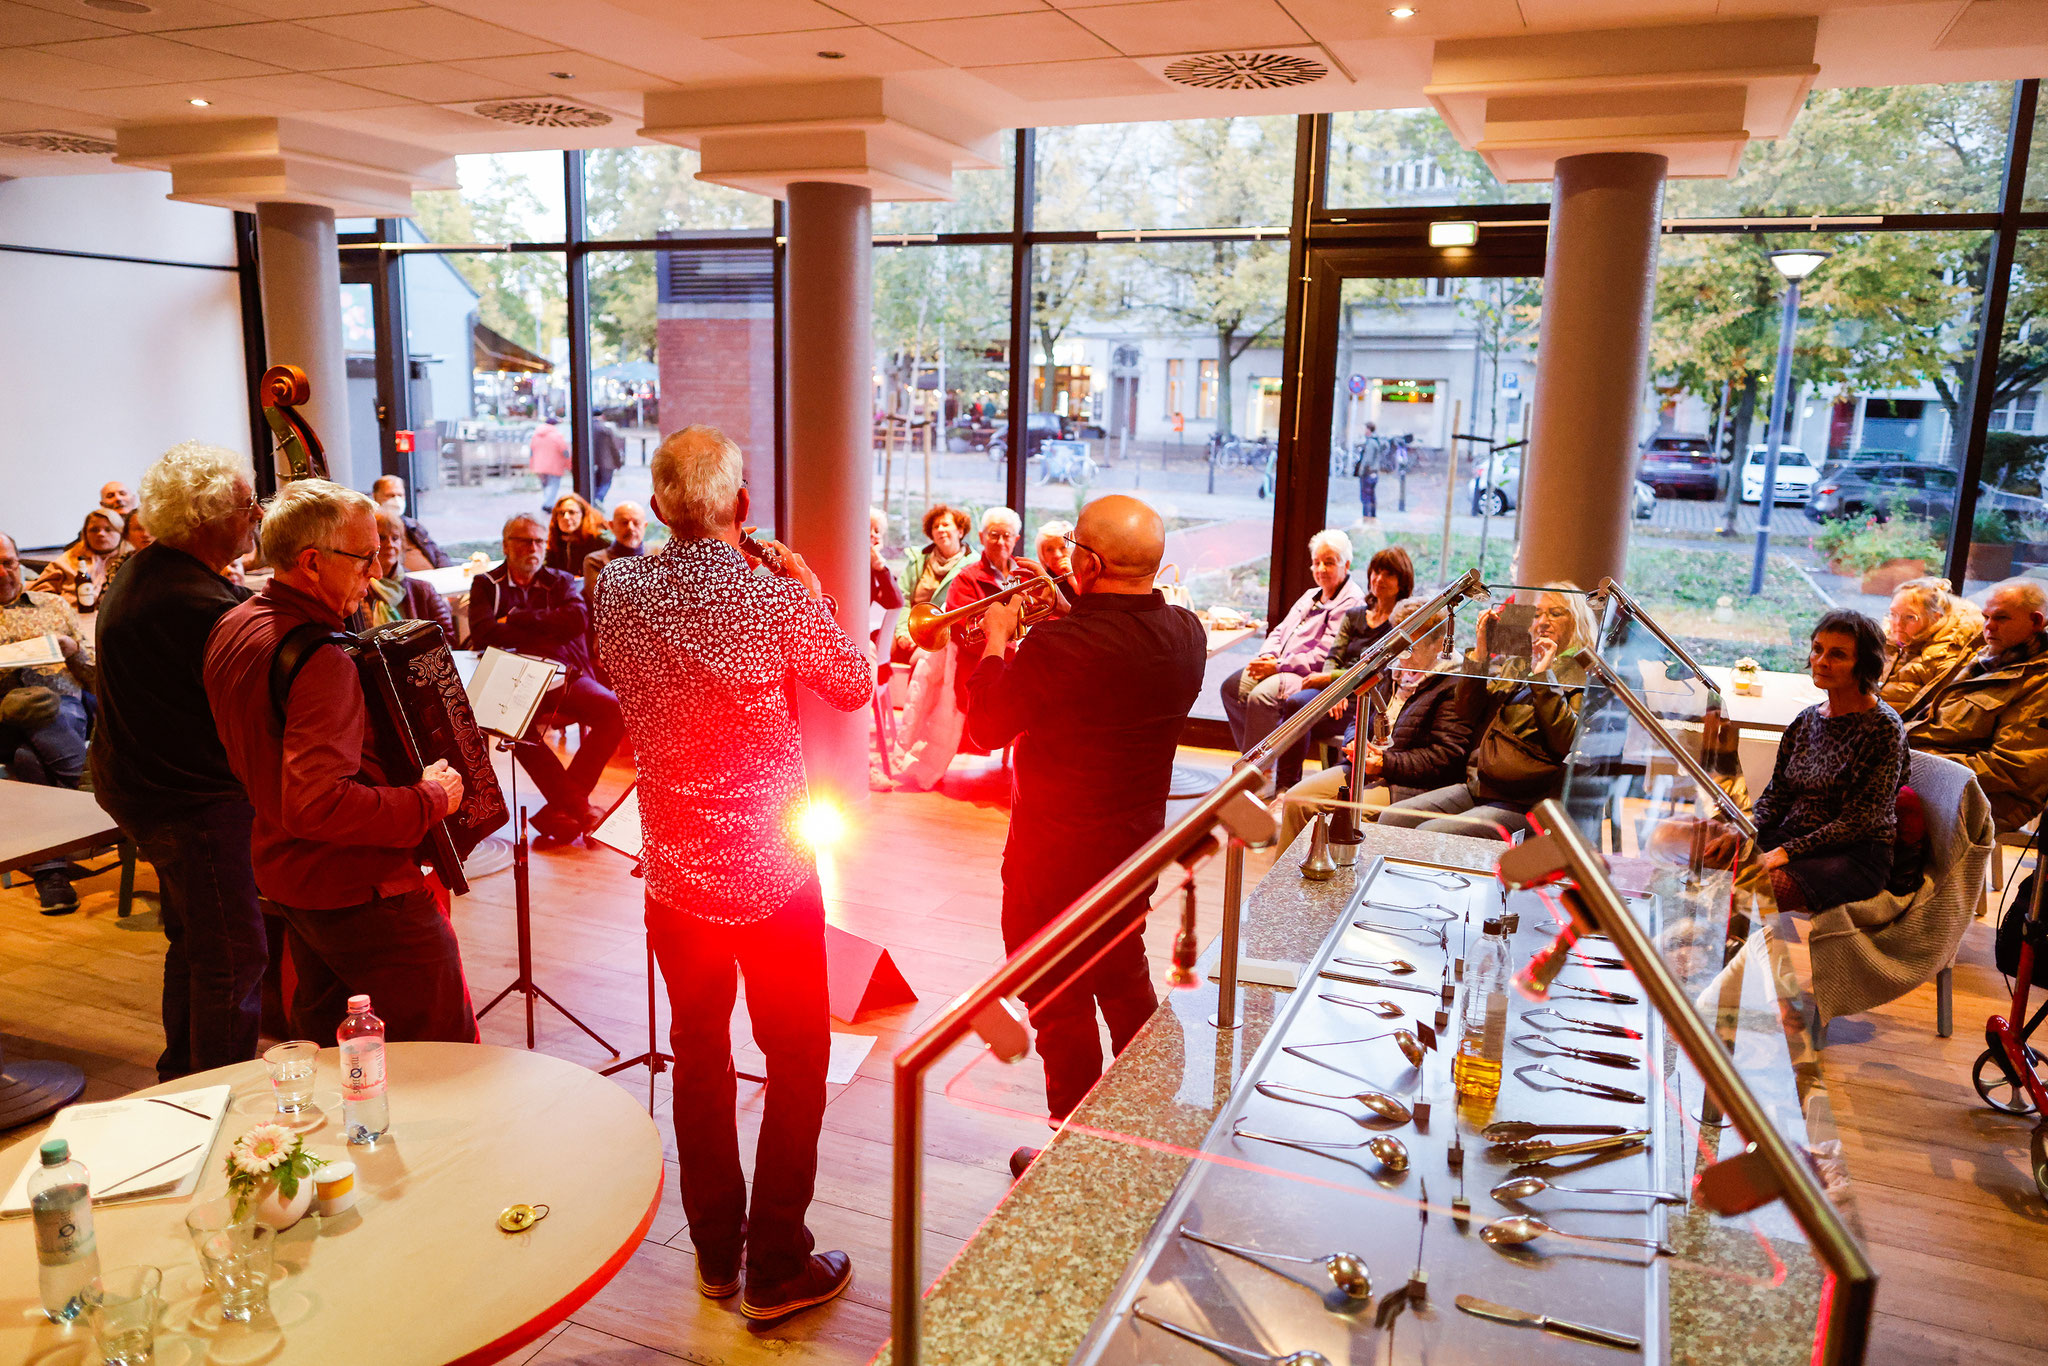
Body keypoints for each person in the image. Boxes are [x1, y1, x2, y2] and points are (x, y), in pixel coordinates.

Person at [592, 425, 869, 1323]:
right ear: (742, 507)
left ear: (662, 504)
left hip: (674, 876)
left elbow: (610, 669)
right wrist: (814, 595)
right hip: (772, 877)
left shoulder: (618, 587)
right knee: (797, 1054)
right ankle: (777, 1261)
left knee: (699, 1055)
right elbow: (854, 684)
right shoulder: (772, 599)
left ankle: (716, 1252)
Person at [962, 494, 1205, 1168]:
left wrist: (994, 643)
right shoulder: (1187, 633)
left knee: (1058, 1000)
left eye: (1073, 548)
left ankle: (1075, 1153)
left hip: (1052, 860)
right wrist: (1070, 617)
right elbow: (1111, 663)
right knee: (1124, 977)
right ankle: (1146, 1126)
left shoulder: (1056, 646)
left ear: (1090, 561)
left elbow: (984, 729)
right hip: (1134, 850)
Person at [203, 478, 477, 1045]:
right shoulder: (322, 658)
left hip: (289, 876)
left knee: (334, 1040)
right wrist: (429, 798)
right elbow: (319, 803)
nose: (375, 574)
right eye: (364, 559)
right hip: (356, 886)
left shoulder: (235, 623)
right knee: (442, 1046)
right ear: (310, 561)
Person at [91, 442, 265, 1078]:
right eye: (245, 504)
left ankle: (184, 1077)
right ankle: (219, 1095)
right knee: (233, 958)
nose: (255, 514)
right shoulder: (196, 603)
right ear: (207, 517)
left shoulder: (148, 568)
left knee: (196, 944)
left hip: (143, 789)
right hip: (188, 802)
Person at [1379, 582, 1594, 840]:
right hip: (1480, 785)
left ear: (1578, 620)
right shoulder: (1519, 662)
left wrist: (1544, 678)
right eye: (1537, 614)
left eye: (1555, 613)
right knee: (1392, 818)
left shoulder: (1581, 672)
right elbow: (1468, 710)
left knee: (1430, 834)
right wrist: (1479, 654)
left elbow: (1565, 741)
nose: (1543, 622)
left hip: (1526, 800)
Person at [468, 512, 627, 843]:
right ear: (506, 545)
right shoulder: (486, 584)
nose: (534, 548)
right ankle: (578, 809)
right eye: (525, 540)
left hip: (559, 673)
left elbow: (576, 620)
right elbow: (483, 632)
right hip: (509, 679)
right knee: (513, 724)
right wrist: (545, 629)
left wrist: (514, 619)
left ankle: (561, 810)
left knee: (615, 710)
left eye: (540, 541)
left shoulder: (558, 580)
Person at [1741, 611, 1909, 912]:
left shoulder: (1882, 728)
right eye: (1817, 649)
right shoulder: (1806, 719)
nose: (1821, 661)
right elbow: (1776, 796)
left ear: (1865, 665)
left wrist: (1786, 851)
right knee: (1704, 851)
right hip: (1794, 838)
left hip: (1856, 855)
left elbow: (1858, 822)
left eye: (1838, 654)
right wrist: (1743, 828)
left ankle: (1735, 955)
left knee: (1751, 890)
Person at [1274, 597, 1472, 852]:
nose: (1402, 651)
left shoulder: (1453, 684)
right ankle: (1285, 887)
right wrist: (1354, 743)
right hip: (1367, 767)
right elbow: (1360, 717)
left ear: (1437, 643)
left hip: (1405, 783)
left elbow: (1446, 756)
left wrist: (1384, 764)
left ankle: (1332, 888)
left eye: (1412, 643)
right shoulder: (1394, 669)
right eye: (1399, 640)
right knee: (1297, 800)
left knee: (1340, 821)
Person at [893, 506, 1038, 791]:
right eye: (993, 535)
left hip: (1017, 663)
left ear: (1016, 538)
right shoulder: (967, 578)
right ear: (982, 537)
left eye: (1006, 535)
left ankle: (1033, 773)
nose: (1000, 541)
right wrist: (1006, 643)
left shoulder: (1025, 574)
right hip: (982, 663)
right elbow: (962, 630)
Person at [0, 532, 98, 911]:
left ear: (19, 561)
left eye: (8, 562)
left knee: (28, 754)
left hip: (65, 707)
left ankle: (50, 873)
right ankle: (96, 793)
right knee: (28, 708)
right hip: (2, 719)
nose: (3, 572)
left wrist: (73, 651)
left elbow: (92, 676)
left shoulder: (53, 606)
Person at [1905, 577, 2048, 832]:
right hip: (1931, 772)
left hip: (1983, 798)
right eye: (1986, 617)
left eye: (2002, 618)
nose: (1989, 627)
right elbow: (1926, 716)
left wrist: (1912, 763)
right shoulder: (1983, 657)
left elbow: (2010, 769)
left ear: (2037, 621)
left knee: (1864, 808)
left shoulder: (2040, 682)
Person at [1273, 545, 1414, 790]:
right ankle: (1284, 788)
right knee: (1296, 703)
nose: (1378, 579)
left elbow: (1379, 672)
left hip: (1366, 697)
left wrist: (1335, 683)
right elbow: (1333, 657)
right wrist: (1335, 689)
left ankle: (1338, 789)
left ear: (1402, 582)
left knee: (1344, 718)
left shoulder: (1401, 625)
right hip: (1337, 692)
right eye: (1375, 572)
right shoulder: (1355, 614)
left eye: (1388, 574)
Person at [1219, 529, 1366, 761]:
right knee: (1231, 688)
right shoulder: (1311, 594)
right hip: (1281, 664)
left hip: (1311, 675)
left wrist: (1277, 666)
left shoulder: (1351, 601)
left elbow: (1324, 655)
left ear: (1346, 565)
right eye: (1316, 563)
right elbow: (1280, 630)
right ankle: (1251, 759)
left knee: (1261, 696)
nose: (1320, 569)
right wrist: (1268, 655)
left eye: (1329, 563)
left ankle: (1259, 770)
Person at [1879, 576, 1982, 714]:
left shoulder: (1945, 658)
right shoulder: (1887, 642)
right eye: (1893, 614)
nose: (1897, 624)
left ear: (1936, 618)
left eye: (1910, 617)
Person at [352, 508, 456, 639]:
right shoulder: (356, 592)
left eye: (395, 538)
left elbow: (446, 636)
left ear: (402, 545)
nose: (390, 544)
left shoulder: (424, 590)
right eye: (382, 538)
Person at [891, 504, 970, 664]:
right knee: (881, 651)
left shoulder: (972, 565)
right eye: (936, 526)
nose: (940, 529)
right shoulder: (918, 559)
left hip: (946, 636)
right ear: (931, 534)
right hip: (908, 628)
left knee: (920, 661)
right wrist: (903, 632)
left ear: (960, 531)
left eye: (946, 524)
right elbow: (902, 598)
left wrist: (925, 637)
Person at [31, 508, 125, 614]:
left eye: (108, 529)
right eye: (94, 530)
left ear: (121, 533)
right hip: (73, 617)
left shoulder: (129, 559)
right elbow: (40, 593)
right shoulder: (68, 558)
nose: (100, 534)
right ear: (85, 533)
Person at [371, 474, 452, 571]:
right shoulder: (372, 529)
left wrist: (445, 572)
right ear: (375, 496)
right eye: (390, 495)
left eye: (400, 495)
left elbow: (438, 553)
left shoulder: (413, 525)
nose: (396, 500)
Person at [583, 500, 649, 599]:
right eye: (624, 523)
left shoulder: (660, 556)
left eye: (636, 523)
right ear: (611, 526)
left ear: (645, 526)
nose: (630, 528)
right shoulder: (595, 561)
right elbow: (602, 601)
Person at [545, 493, 610, 575]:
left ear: (583, 515)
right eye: (561, 513)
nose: (566, 517)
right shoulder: (554, 539)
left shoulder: (600, 539)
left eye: (572, 512)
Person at [530, 413, 570, 509]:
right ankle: (548, 504)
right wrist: (569, 464)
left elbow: (531, 451)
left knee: (545, 485)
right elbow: (564, 451)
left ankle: (547, 501)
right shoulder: (557, 436)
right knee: (553, 485)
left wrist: (532, 465)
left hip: (539, 466)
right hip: (554, 465)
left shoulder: (536, 436)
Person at [591, 408, 624, 507]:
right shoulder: (606, 429)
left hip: (593, 461)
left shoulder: (587, 427)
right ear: (601, 416)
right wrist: (618, 462)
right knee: (606, 482)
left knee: (596, 482)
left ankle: (594, 499)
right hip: (607, 462)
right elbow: (613, 447)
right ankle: (598, 498)